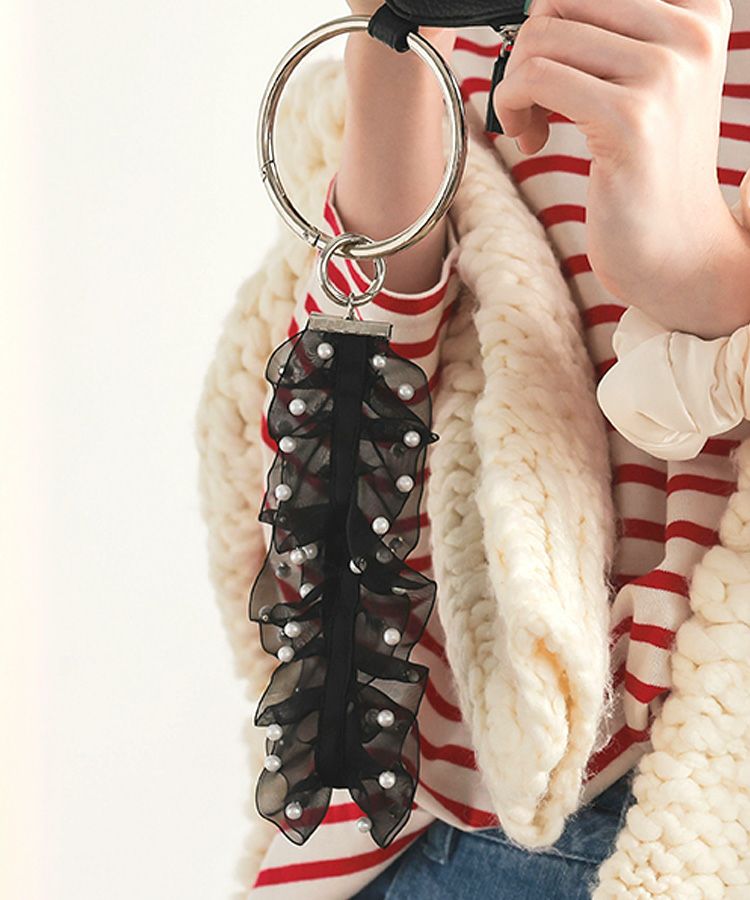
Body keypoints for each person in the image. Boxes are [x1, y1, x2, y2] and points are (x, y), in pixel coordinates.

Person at [195, 0, 750, 896]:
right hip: (436, 826)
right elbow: (330, 494)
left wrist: (703, 273)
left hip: (709, 818)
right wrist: (392, 50)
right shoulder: (470, 26)